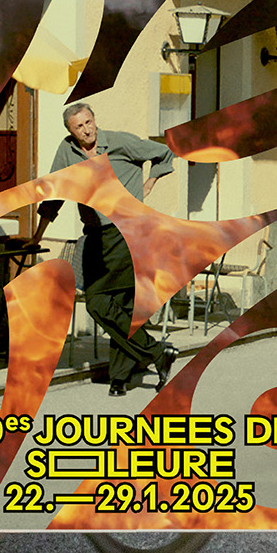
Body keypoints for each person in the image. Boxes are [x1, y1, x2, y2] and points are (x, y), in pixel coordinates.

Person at [25, 102, 177, 396]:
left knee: (111, 303)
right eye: (78, 127)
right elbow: (54, 195)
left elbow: (164, 152)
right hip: (95, 235)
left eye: (88, 122)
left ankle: (120, 377)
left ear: (95, 120)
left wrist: (148, 184)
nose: (86, 130)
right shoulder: (67, 152)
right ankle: (155, 354)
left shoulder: (119, 143)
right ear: (71, 131)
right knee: (105, 304)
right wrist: (37, 236)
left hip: (127, 231)